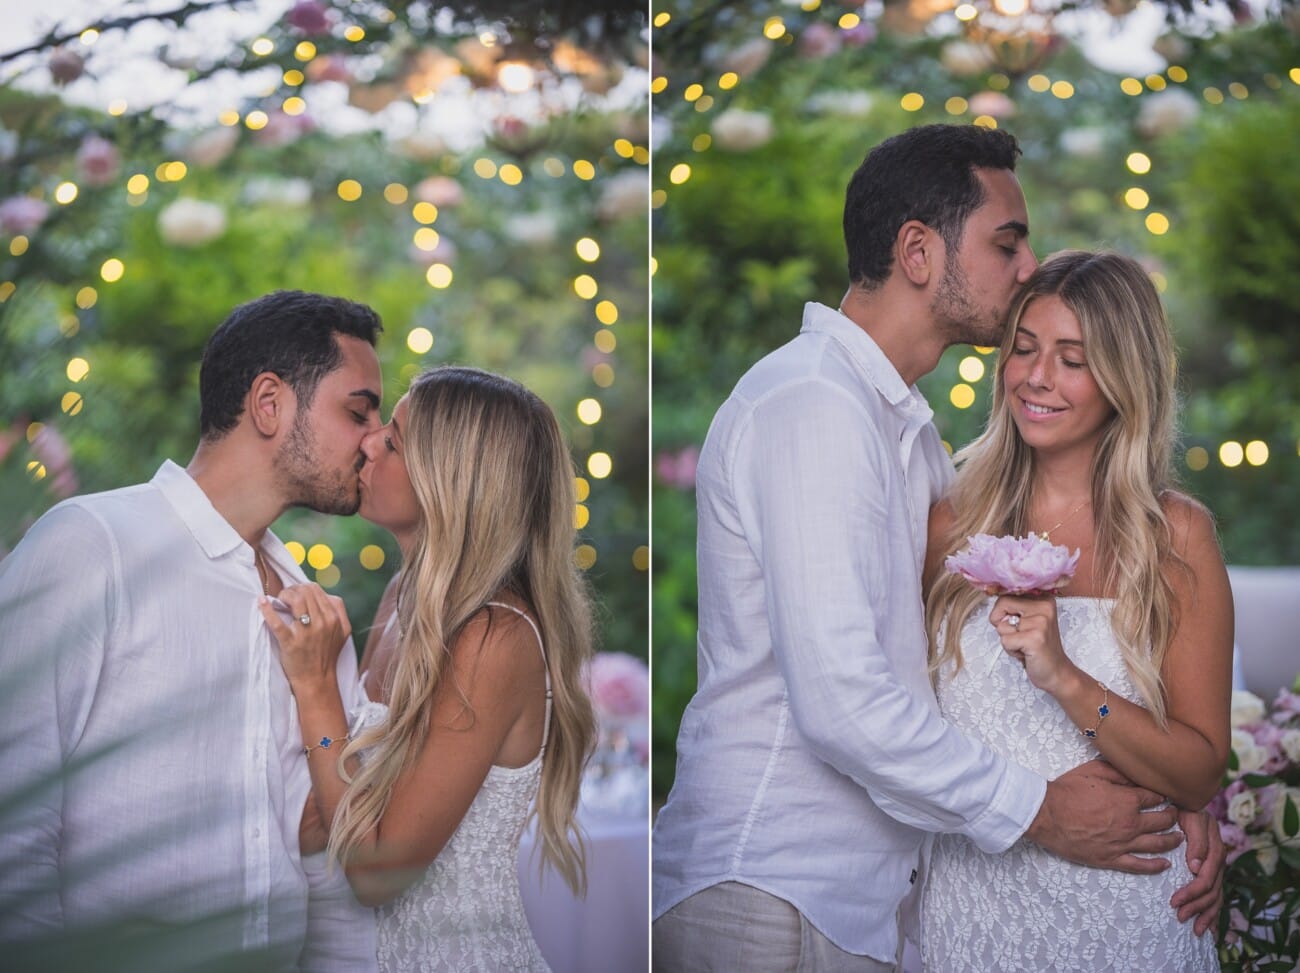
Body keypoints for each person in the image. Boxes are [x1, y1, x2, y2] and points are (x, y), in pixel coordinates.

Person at [651, 125, 1224, 970]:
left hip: (866, 902)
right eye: (1007, 241)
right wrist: (1043, 809)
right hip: (774, 888)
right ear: (918, 252)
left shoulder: (910, 440)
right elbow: (843, 702)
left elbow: (927, 679)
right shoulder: (816, 406)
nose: (1027, 266)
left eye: (1073, 357)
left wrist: (1177, 790)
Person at [0, 290, 383, 971]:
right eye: (358, 410)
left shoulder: (311, 610)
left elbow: (319, 858)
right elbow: (13, 832)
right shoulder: (93, 546)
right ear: (270, 404)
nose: (376, 437)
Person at [921, 250, 1231, 970]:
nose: (1036, 377)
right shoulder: (947, 526)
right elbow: (891, 727)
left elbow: (1197, 772)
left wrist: (1065, 678)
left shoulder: (1176, 537)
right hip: (974, 914)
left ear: (1125, 378)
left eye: (1072, 359)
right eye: (1024, 349)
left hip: (1134, 919)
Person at [260, 365, 596, 972]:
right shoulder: (400, 599)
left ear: (452, 480)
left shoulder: (491, 636)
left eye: (391, 440)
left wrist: (315, 687)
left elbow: (381, 872)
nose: (366, 442)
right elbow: (350, 802)